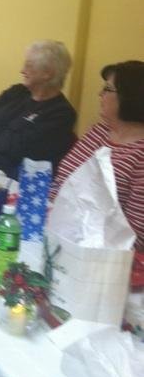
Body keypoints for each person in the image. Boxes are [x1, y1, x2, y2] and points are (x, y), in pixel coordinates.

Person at [51, 60, 144, 288]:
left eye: (107, 89)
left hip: (97, 262)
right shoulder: (99, 131)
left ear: (131, 97)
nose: (100, 94)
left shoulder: (140, 153)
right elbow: (63, 179)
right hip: (56, 233)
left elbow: (135, 233)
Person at [0, 40, 76, 179]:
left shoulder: (61, 113)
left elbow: (16, 149)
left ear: (47, 73)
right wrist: (2, 137)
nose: (22, 70)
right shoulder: (17, 91)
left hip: (9, 178)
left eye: (29, 65)